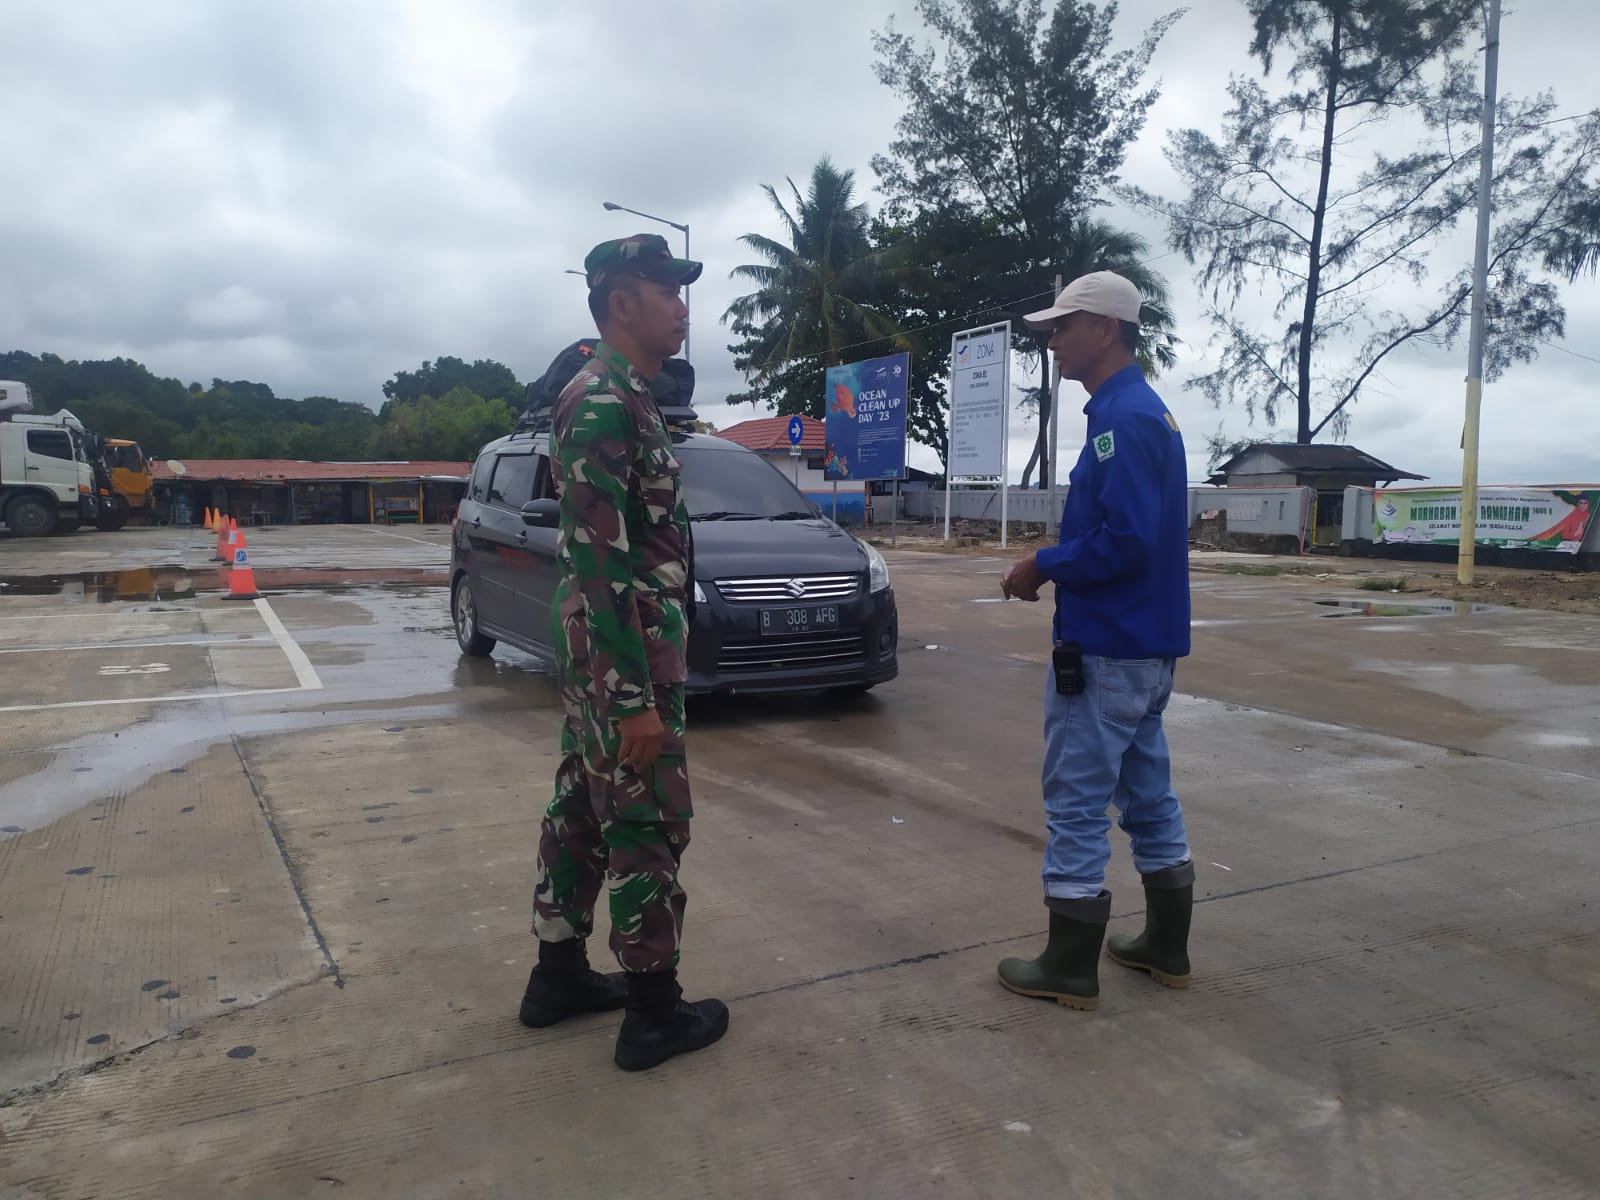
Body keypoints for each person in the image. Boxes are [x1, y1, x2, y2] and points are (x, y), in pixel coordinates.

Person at [521, 233, 729, 1072]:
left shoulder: (627, 396)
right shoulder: (605, 401)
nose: (682, 305)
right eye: (666, 288)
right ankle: (653, 1013)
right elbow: (598, 561)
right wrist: (633, 695)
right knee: (646, 824)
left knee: (580, 813)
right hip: (626, 662)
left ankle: (558, 975)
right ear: (619, 303)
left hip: (613, 659)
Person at [995, 271, 1197, 1011]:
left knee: (1077, 803)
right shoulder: (1136, 414)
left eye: (1062, 327)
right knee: (1148, 796)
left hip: (1109, 647)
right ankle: (1165, 946)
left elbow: (1128, 541)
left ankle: (1070, 963)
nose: (1052, 342)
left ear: (1105, 329)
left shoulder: (1124, 419)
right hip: (1143, 647)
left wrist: (1042, 565)